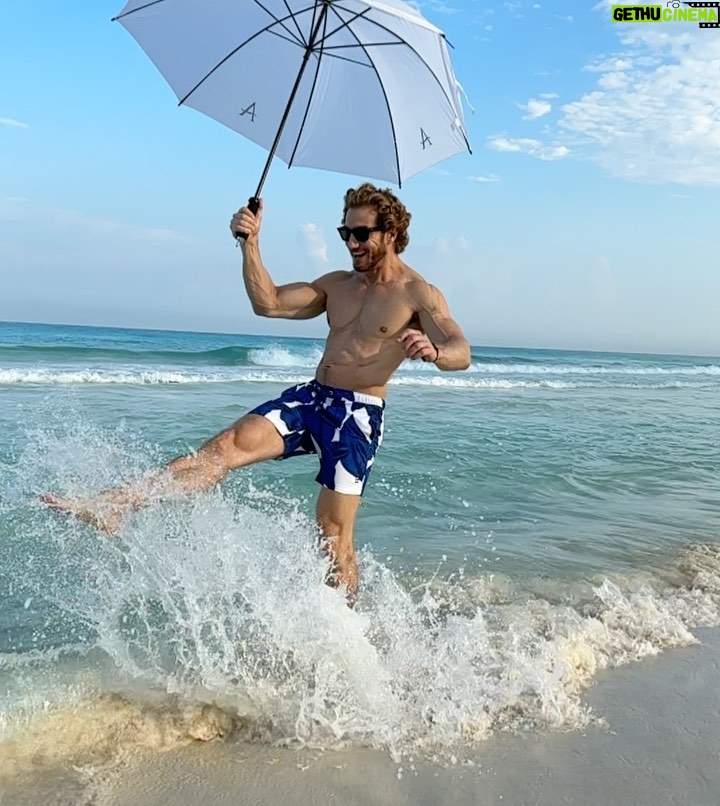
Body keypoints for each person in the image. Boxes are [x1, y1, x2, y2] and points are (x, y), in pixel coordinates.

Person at [42, 182, 471, 601]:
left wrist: (434, 351)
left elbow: (461, 350)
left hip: (356, 417)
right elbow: (267, 302)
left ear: (390, 234)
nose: (352, 244)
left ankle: (348, 635)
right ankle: (115, 505)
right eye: (345, 233)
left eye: (361, 233)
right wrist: (250, 243)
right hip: (312, 399)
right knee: (223, 449)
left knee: (333, 535)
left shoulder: (416, 294)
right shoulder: (338, 284)